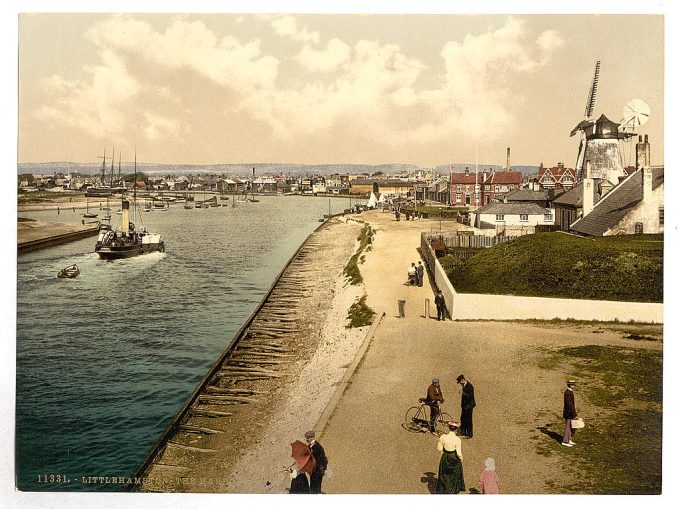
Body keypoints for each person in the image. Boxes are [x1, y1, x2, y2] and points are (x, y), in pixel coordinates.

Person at [436, 421, 465, 494]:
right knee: (454, 475)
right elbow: (458, 452)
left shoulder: (443, 437)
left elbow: (439, 448)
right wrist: (461, 459)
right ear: (456, 429)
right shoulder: (457, 439)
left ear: (449, 428)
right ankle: (452, 491)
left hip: (445, 456)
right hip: (454, 457)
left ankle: (444, 490)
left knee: (444, 474)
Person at [562, 379, 577, 447]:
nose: (574, 386)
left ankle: (569, 439)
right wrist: (574, 414)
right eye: (573, 384)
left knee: (570, 426)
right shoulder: (568, 393)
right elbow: (570, 405)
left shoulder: (569, 392)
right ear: (570, 385)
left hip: (569, 412)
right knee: (568, 427)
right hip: (568, 412)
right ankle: (565, 441)